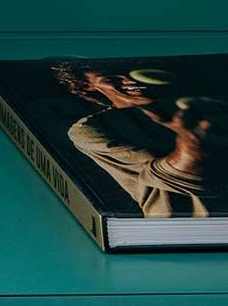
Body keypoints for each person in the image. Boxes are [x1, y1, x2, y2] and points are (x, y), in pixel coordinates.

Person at [52, 62, 228, 217]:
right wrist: (191, 146)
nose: (130, 79)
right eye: (110, 77)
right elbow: (168, 178)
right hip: (191, 228)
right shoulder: (91, 129)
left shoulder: (201, 107)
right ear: (87, 86)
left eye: (132, 71)